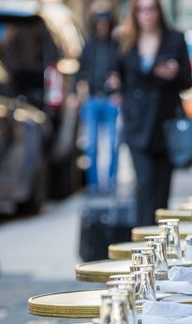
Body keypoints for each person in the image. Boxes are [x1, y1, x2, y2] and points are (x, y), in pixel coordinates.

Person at [110, 0, 192, 225]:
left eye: (151, 9)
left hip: (165, 123)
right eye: (142, 10)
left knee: (162, 188)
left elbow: (188, 81)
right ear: (135, 14)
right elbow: (118, 75)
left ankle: (160, 242)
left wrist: (172, 75)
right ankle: (142, 242)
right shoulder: (126, 41)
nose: (147, 15)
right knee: (144, 184)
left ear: (159, 11)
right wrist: (115, 87)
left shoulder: (175, 39)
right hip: (137, 123)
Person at [77, 11, 120, 193]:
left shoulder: (116, 46)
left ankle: (111, 181)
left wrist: (119, 89)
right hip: (93, 99)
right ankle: (93, 184)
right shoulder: (89, 46)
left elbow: (124, 71)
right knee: (91, 145)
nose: (102, 27)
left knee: (113, 143)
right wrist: (76, 94)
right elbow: (80, 72)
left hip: (111, 100)